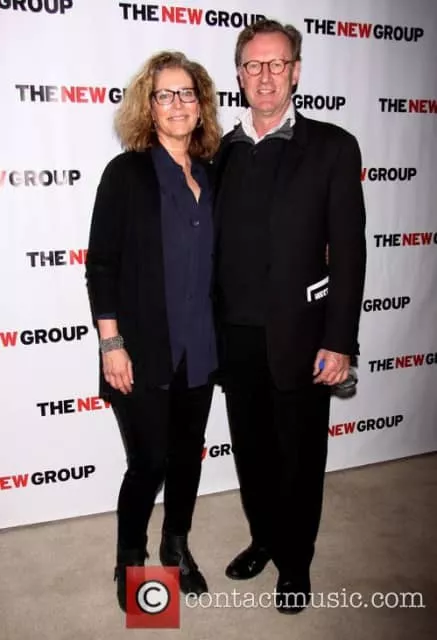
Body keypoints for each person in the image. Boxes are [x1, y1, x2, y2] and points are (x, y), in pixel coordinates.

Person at [213, 19, 366, 614]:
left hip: (303, 339)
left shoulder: (332, 146)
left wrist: (340, 340)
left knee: (300, 459)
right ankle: (264, 540)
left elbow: (348, 252)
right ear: (239, 75)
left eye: (277, 64)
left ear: (296, 71)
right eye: (254, 65)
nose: (266, 76)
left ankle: (296, 561)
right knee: (252, 454)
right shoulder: (219, 151)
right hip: (235, 337)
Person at [85, 51, 221, 612]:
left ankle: (176, 547)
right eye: (165, 95)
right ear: (149, 105)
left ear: (201, 105)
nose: (177, 104)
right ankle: (131, 559)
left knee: (187, 457)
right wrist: (111, 343)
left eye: (187, 93)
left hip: (201, 346)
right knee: (149, 463)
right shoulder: (126, 174)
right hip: (140, 349)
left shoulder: (212, 173)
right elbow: (102, 265)